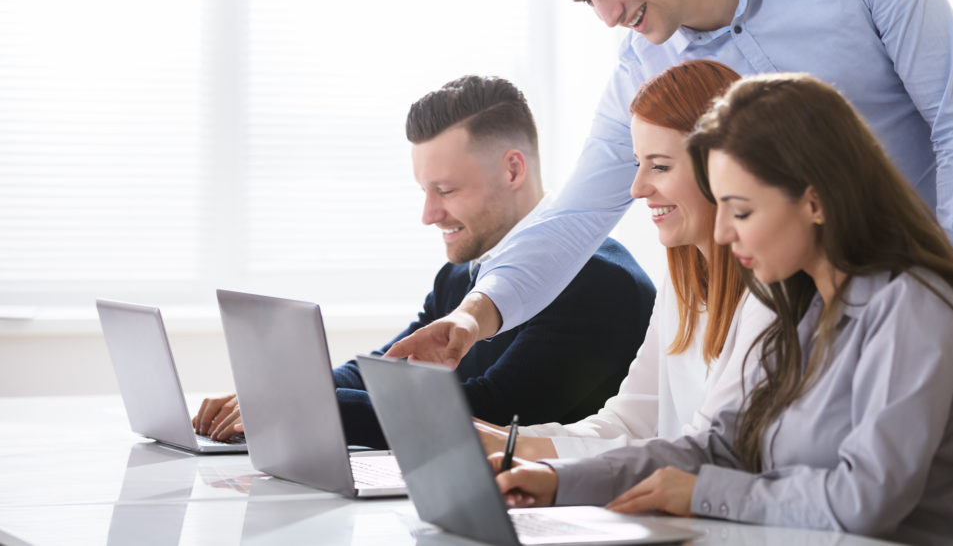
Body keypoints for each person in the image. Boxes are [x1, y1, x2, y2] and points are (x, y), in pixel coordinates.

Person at [389, 0, 953, 452]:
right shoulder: (643, 65)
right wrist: (475, 318)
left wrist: (943, 301)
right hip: (832, 304)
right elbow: (577, 214)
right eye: (586, 3)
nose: (606, 16)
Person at [494, 74, 953, 546]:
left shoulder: (914, 306)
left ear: (816, 201)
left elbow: (866, 500)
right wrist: (559, 479)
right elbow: (716, 447)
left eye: (742, 210)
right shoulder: (788, 301)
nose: (724, 232)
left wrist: (705, 493)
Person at [192, 75, 656, 448]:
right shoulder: (459, 274)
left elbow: (490, 414)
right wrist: (278, 392)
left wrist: (301, 405)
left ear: (514, 169)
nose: (429, 215)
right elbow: (382, 371)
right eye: (425, 191)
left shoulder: (599, 280)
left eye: (447, 191)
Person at [478, 60, 772, 461]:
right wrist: (507, 443)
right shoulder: (681, 284)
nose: (637, 188)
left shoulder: (771, 295)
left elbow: (707, 452)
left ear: (724, 168)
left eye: (661, 166)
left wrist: (524, 455)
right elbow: (629, 422)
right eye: (639, 164)